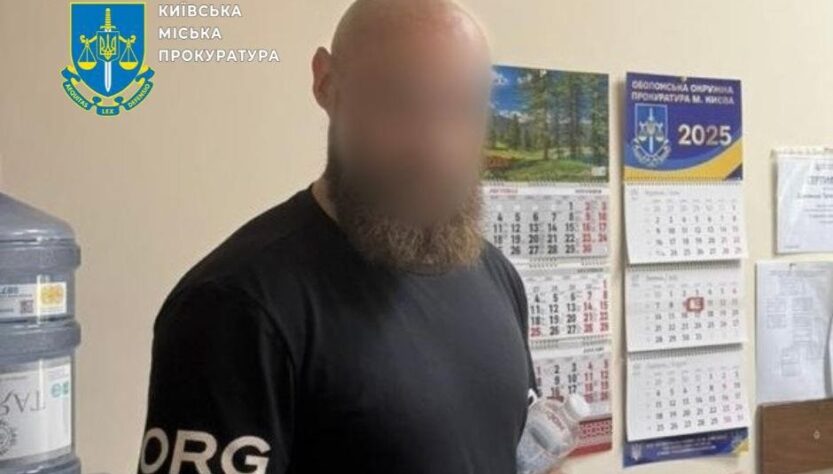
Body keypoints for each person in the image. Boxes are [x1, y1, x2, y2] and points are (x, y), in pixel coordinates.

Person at [136, 0, 540, 473]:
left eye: (463, 108)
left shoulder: (496, 277)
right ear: (326, 83)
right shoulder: (236, 306)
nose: (437, 146)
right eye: (400, 103)